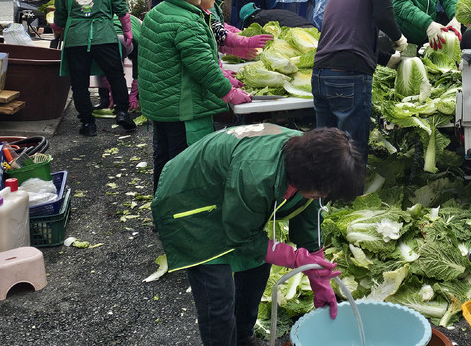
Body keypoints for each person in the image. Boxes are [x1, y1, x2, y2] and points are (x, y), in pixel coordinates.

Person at [153, 125, 364, 346]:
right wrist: (293, 258)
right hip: (190, 198)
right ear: (307, 177)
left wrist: (319, 282)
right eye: (322, 192)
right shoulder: (258, 174)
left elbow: (308, 227)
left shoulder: (314, 167)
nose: (322, 196)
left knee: (256, 266)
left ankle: (243, 337)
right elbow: (242, 236)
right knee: (218, 290)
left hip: (231, 193)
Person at [138, 0, 251, 191]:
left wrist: (224, 77)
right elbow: (202, 66)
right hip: (183, 107)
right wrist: (228, 92)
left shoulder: (157, 13)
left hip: (161, 105)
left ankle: (163, 211)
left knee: (165, 160)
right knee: (185, 164)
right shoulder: (187, 21)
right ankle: (181, 217)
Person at [312, 0, 409, 167]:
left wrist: (386, 59)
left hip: (321, 73)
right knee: (351, 150)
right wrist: (399, 38)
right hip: (348, 77)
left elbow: (349, 36)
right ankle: (349, 199)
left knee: (325, 148)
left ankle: (323, 199)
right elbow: (383, 15)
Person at [52, 0, 135, 136]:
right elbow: (122, 8)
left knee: (79, 83)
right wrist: (128, 32)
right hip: (104, 36)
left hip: (76, 39)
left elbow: (60, 17)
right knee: (116, 76)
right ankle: (122, 113)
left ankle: (88, 124)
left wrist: (56, 26)